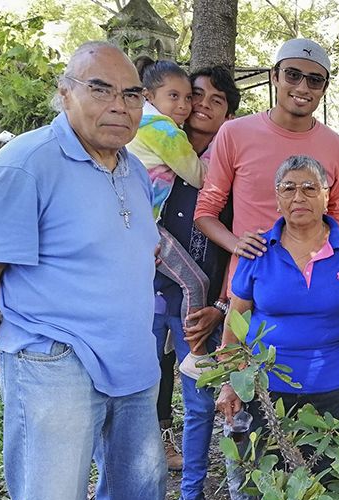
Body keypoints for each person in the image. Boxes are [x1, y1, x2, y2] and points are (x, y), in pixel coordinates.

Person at [0, 41, 183, 500]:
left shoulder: (134, 169)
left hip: (131, 355)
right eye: (100, 89)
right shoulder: (25, 164)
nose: (119, 106)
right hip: (52, 357)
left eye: (131, 94)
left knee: (139, 486)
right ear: (66, 93)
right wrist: (3, 353)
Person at [215, 155, 339, 500]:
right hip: (269, 384)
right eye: (288, 187)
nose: (299, 196)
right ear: (277, 196)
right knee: (271, 467)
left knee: (328, 468)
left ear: (327, 195)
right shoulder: (256, 252)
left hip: (334, 381)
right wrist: (231, 379)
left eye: (310, 187)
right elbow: (238, 317)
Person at [193, 38, 339, 289]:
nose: (302, 87)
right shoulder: (234, 133)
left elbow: (336, 218)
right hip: (250, 286)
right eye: (292, 75)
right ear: (274, 76)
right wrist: (237, 245)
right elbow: (205, 211)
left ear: (324, 87)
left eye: (314, 80)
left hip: (312, 287)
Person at [154, 66, 241, 500]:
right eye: (195, 95)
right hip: (145, 296)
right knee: (131, 398)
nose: (202, 105)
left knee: (202, 402)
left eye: (217, 100)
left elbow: (238, 242)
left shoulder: (230, 168)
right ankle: (134, 492)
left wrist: (223, 307)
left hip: (201, 301)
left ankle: (190, 497)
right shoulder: (156, 153)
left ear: (229, 112)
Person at [127, 59, 212, 377]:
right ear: (149, 95)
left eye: (188, 97)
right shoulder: (163, 130)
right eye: (173, 96)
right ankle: (196, 355)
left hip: (130, 223)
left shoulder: (136, 125)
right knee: (195, 281)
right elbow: (198, 175)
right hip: (143, 228)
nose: (184, 105)